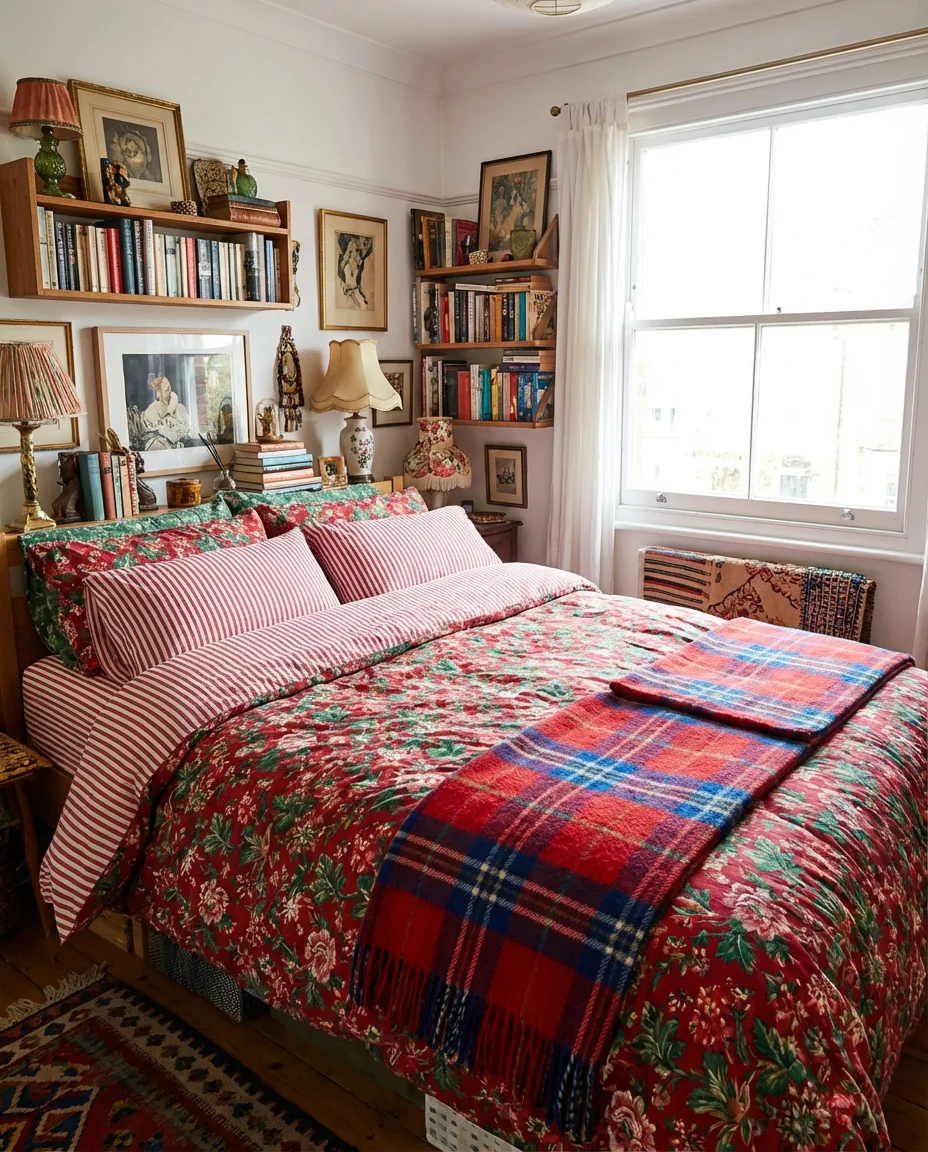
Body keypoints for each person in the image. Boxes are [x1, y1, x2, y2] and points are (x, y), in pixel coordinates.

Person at [140, 374, 190, 449]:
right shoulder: (150, 411)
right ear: (158, 392)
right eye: (165, 390)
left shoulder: (180, 408)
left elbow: (185, 431)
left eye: (168, 388)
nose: (168, 391)